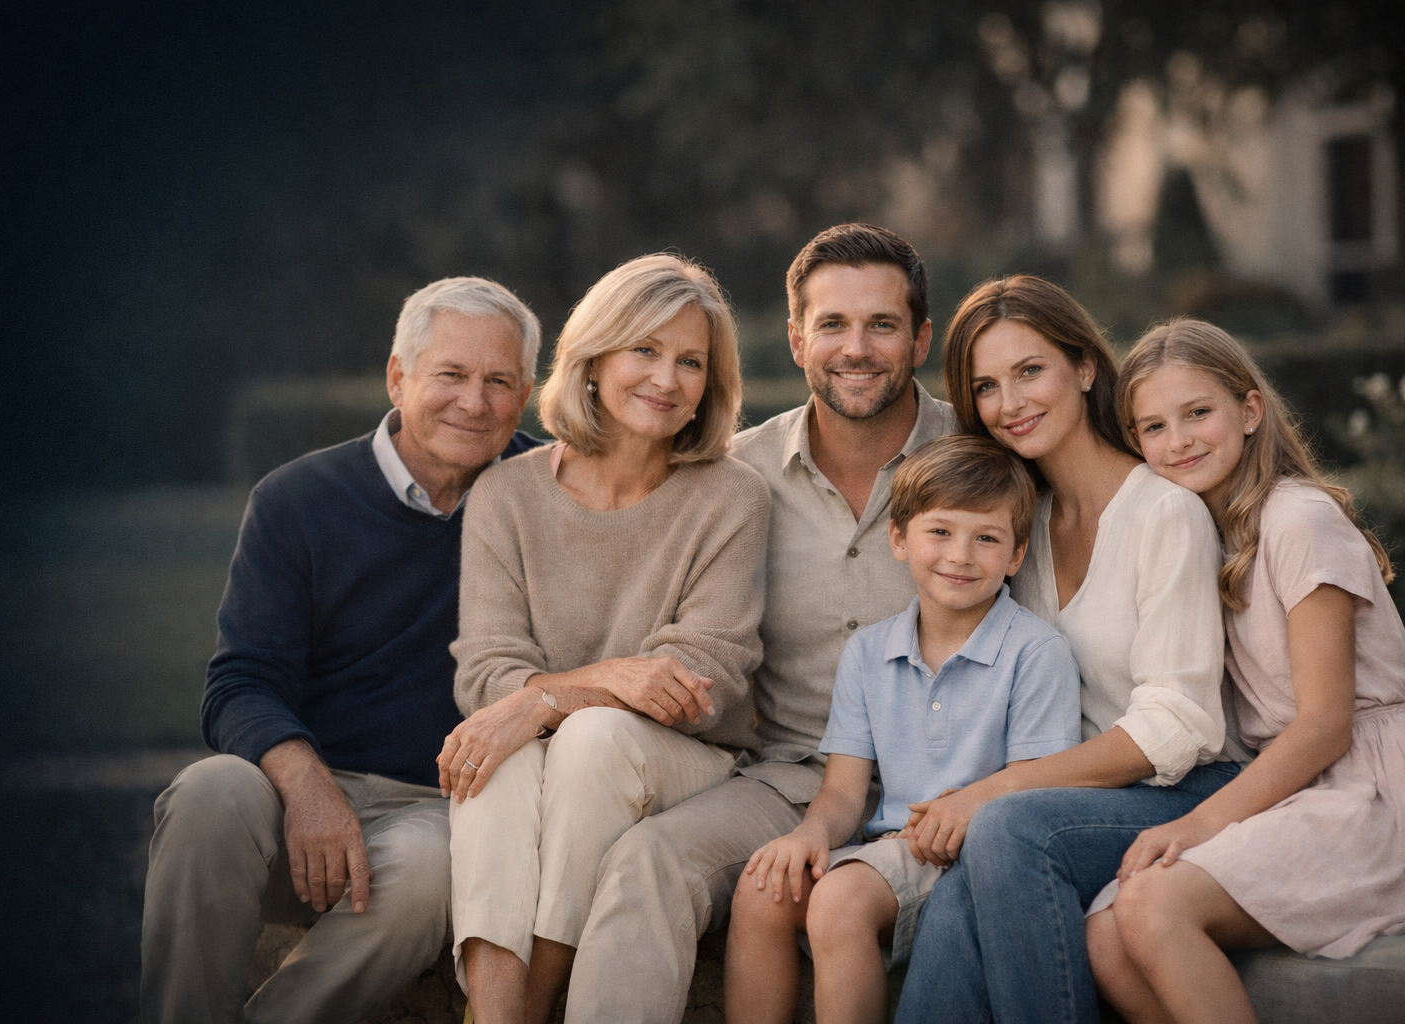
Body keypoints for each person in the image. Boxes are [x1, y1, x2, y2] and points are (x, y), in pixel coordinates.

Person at [555, 223, 957, 1023]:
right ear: (797, 338)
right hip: (790, 779)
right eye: (832, 324)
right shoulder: (734, 475)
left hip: (950, 783)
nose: (856, 348)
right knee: (648, 859)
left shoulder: (980, 460)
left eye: (881, 325)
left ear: (920, 340)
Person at [141, 277, 546, 1024]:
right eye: (451, 374)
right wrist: (307, 786)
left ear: (525, 395)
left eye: (499, 382)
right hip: (301, 785)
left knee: (429, 868)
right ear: (398, 377)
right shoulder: (295, 499)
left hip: (440, 808)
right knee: (207, 794)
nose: (474, 402)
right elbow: (241, 683)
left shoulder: (547, 494)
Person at [1081, 318, 1405, 1024]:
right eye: (1153, 427)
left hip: (1379, 797)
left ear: (1249, 410)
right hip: (1299, 792)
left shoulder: (1299, 519)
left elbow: (1326, 725)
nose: (1179, 441)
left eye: (1198, 412)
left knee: (1152, 904)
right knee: (1106, 932)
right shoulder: (1200, 536)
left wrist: (1198, 826)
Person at [894, 275, 1245, 1024]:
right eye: (986, 386)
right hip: (1077, 798)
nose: (1010, 402)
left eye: (1030, 371)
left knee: (1004, 830)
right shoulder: (1018, 529)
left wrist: (997, 790)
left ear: (1084, 368)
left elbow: (1179, 723)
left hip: (1193, 789)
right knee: (956, 896)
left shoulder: (1165, 513)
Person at [434, 253, 769, 1024]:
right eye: (644, 350)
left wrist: (548, 700)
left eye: (691, 362)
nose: (667, 379)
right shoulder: (506, 493)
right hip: (550, 751)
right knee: (495, 754)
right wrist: (597, 682)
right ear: (593, 359)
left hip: (686, 760)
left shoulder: (732, 496)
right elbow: (487, 672)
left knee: (588, 738)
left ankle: (532, 1004)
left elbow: (700, 681)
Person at [724, 435, 1083, 1024]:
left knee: (840, 900)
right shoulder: (869, 651)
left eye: (987, 538)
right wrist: (810, 834)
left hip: (973, 859)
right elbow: (844, 792)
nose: (960, 555)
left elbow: (1033, 789)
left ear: (1017, 555)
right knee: (764, 885)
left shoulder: (1035, 652)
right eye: (939, 531)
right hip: (889, 851)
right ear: (898, 539)